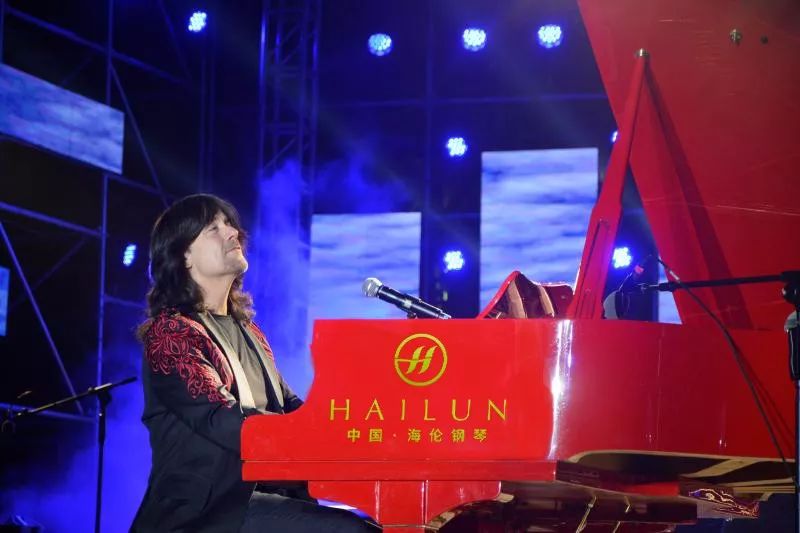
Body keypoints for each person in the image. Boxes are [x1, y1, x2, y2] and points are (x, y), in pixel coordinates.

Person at [131, 194, 377, 532]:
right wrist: (319, 437)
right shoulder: (171, 333)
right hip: (207, 515)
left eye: (229, 224)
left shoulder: (250, 332)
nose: (232, 232)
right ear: (183, 256)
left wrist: (354, 428)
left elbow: (289, 406)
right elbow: (223, 419)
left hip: (260, 502)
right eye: (213, 228)